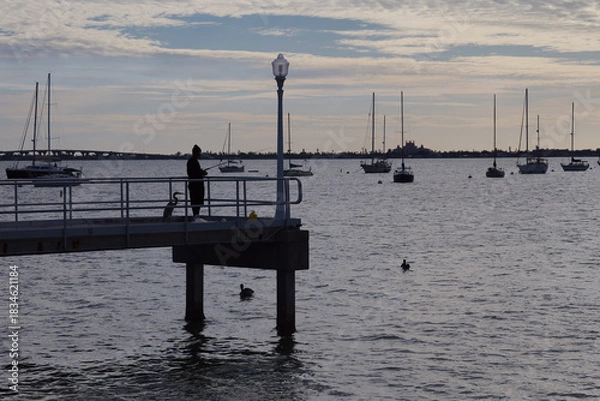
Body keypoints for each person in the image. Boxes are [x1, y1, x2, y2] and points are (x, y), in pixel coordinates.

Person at [187, 144, 207, 217]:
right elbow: (195, 173)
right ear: (196, 153)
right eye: (199, 152)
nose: (200, 154)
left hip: (194, 185)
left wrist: (201, 172)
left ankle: (196, 215)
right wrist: (202, 172)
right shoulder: (193, 161)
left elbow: (195, 171)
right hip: (196, 185)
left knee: (195, 201)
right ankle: (196, 215)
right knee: (196, 201)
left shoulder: (192, 161)